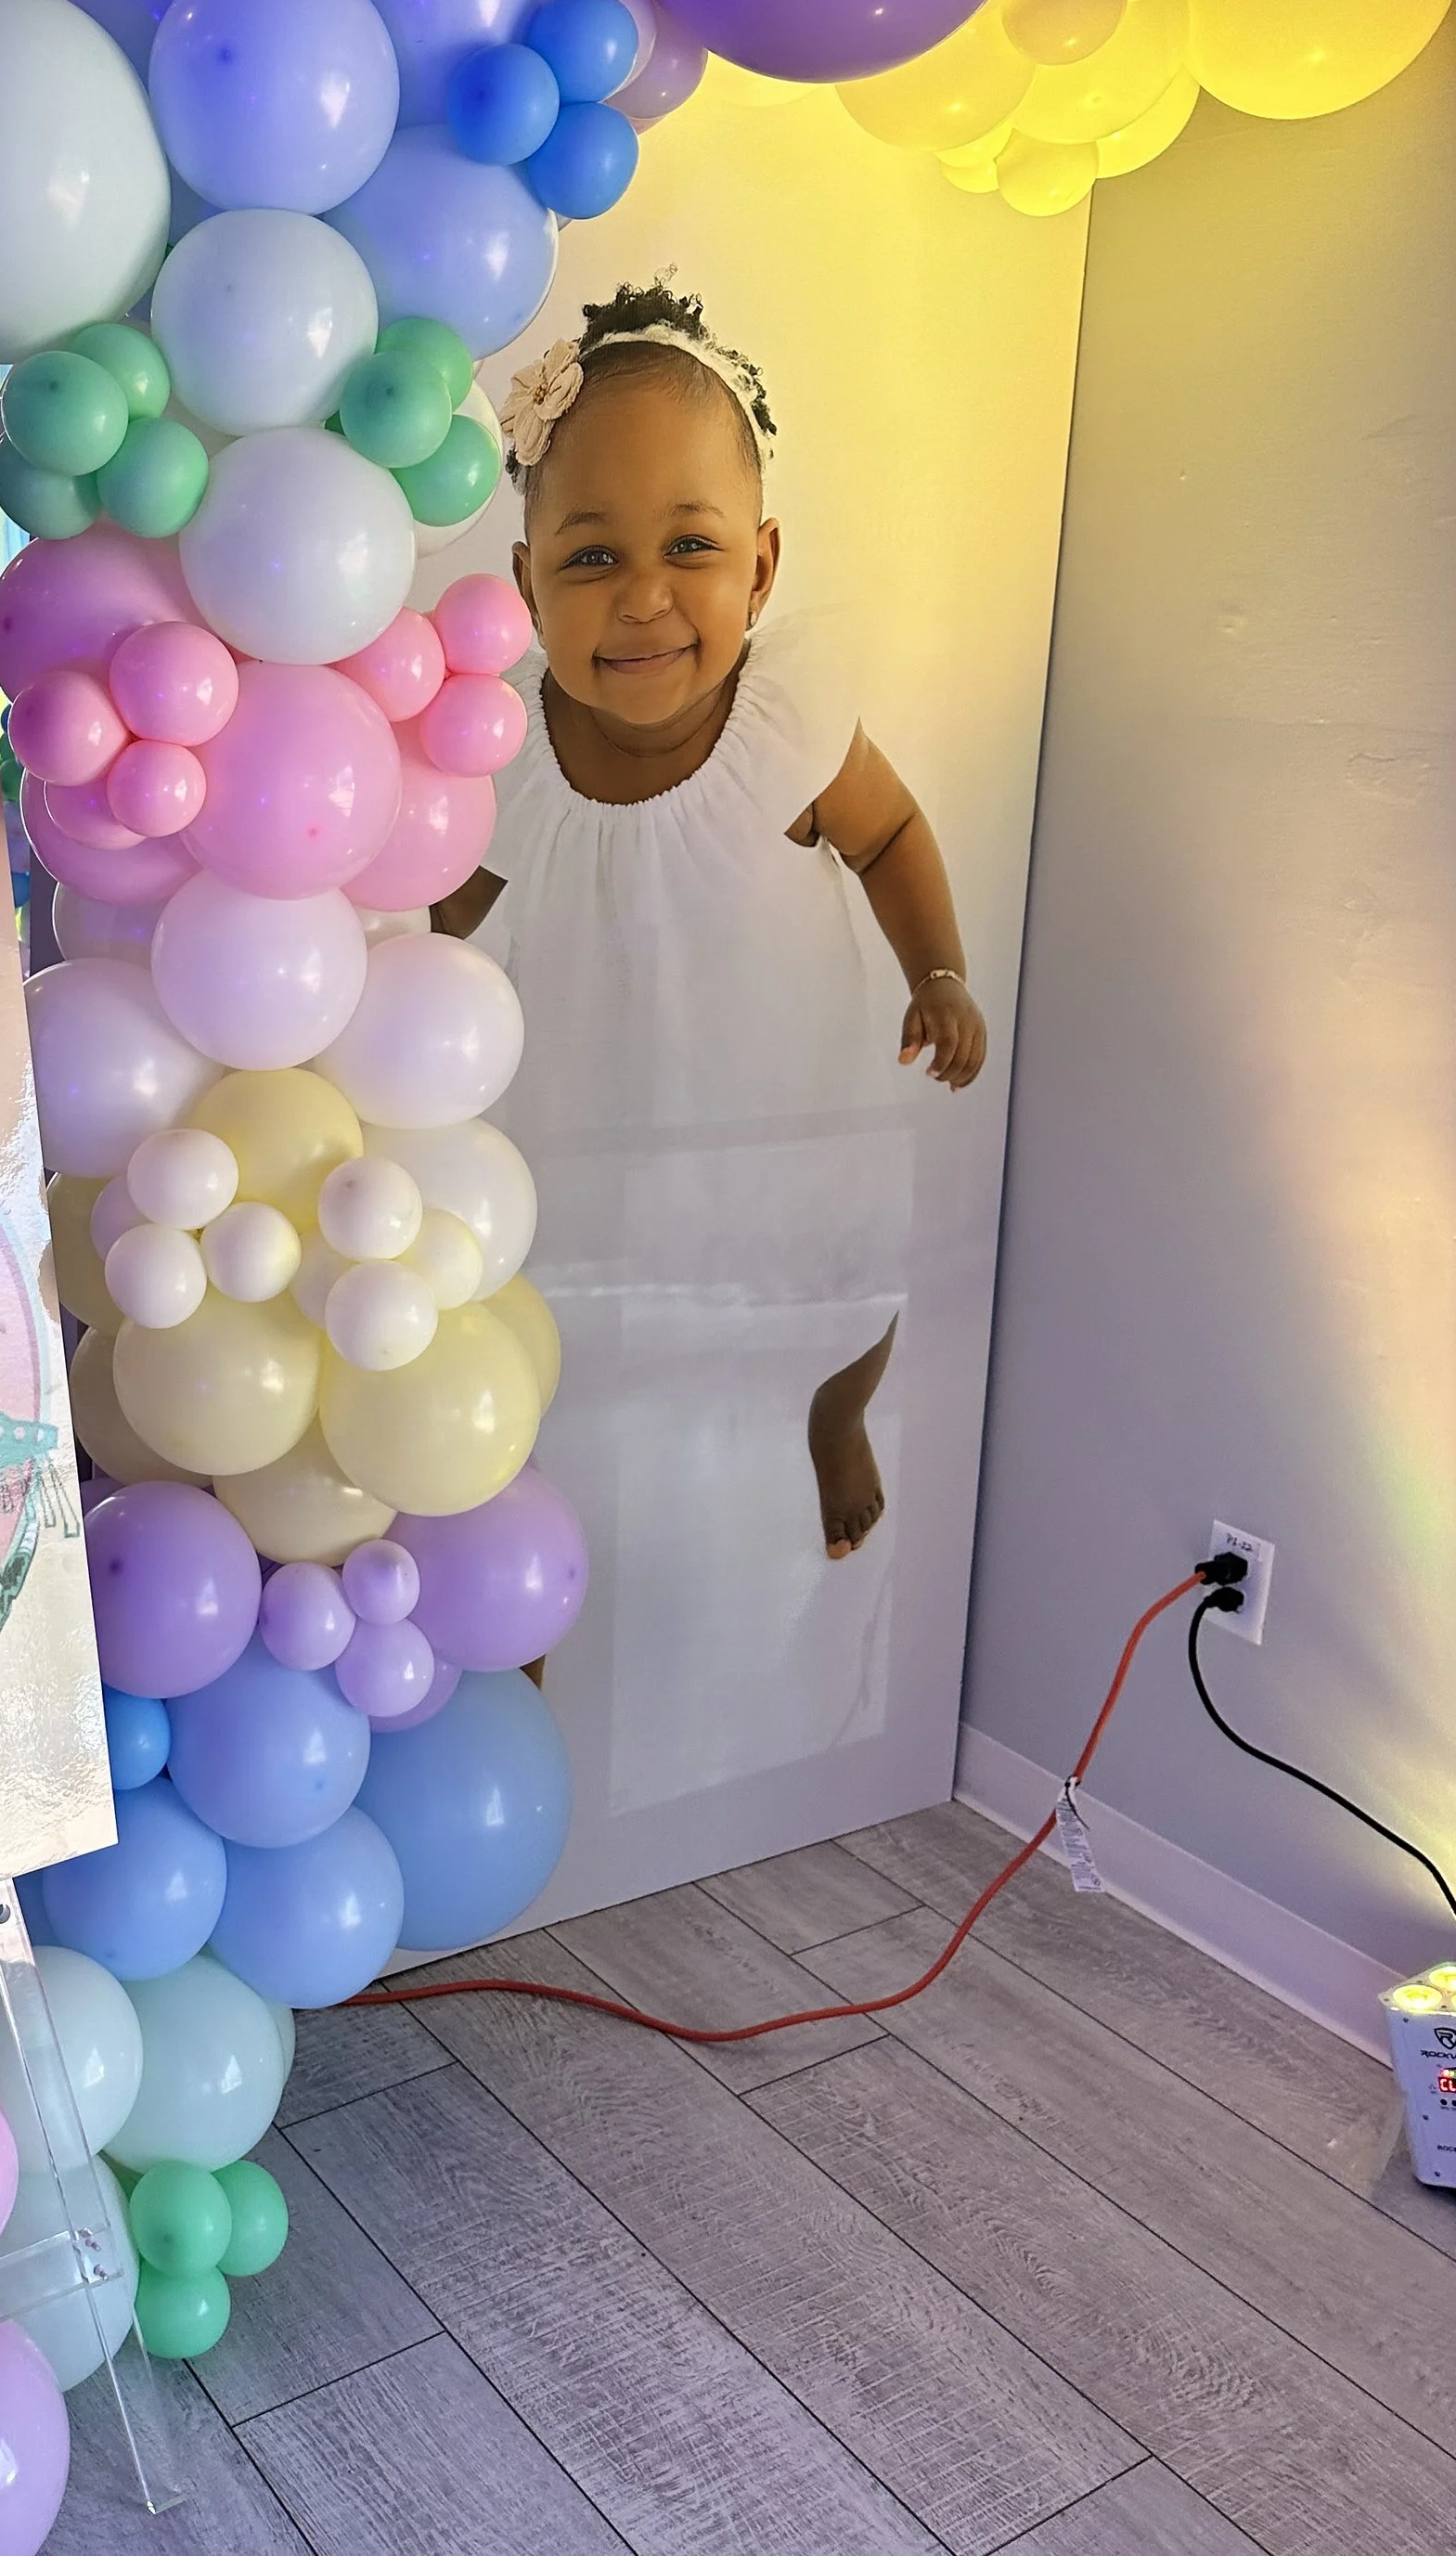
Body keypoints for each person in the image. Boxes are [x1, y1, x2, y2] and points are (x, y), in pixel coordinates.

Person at [433, 279, 985, 1799]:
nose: (647, 598)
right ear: (529, 581)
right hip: (590, 1100)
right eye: (592, 557)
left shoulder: (789, 733)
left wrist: (935, 970)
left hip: (778, 1087)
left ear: (764, 560)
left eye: (692, 546)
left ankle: (836, 1427)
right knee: (548, 1367)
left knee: (835, 1286)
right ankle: (527, 1636)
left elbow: (893, 835)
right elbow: (436, 918)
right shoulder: (509, 766)